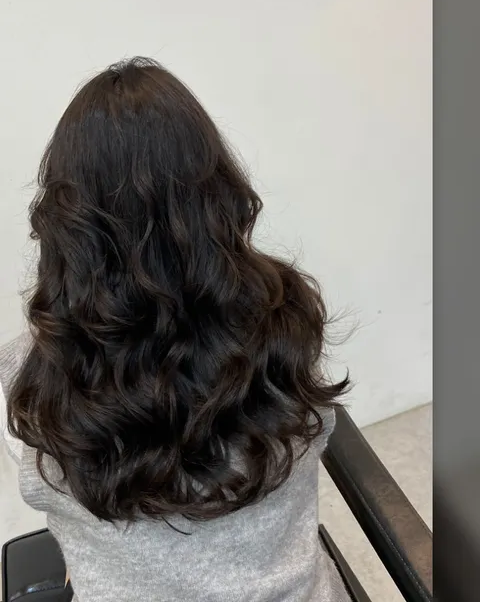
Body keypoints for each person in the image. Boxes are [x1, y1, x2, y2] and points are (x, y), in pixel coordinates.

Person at [0, 57, 350, 602]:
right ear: (215, 190)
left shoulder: (30, 372)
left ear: (69, 219)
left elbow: (62, 508)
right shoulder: (287, 322)